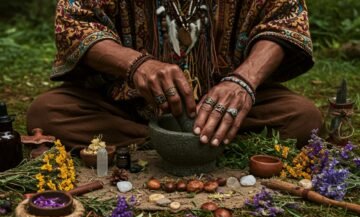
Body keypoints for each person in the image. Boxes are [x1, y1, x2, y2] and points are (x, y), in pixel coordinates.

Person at [27, 0, 322, 149]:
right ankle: (184, 144)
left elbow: (285, 18)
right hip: (126, 107)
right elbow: (75, 21)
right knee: (48, 113)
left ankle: (201, 138)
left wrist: (243, 80)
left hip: (228, 107)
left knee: (302, 118)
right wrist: (136, 65)